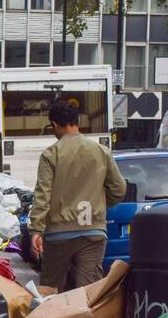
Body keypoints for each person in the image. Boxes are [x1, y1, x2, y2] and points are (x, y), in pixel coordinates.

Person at [27, 99, 127, 290]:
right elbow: (119, 189)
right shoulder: (101, 151)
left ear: (55, 124)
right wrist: (100, 203)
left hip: (58, 235)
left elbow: (43, 194)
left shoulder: (51, 154)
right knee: (87, 294)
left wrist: (36, 230)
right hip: (93, 231)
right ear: (76, 121)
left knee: (51, 292)